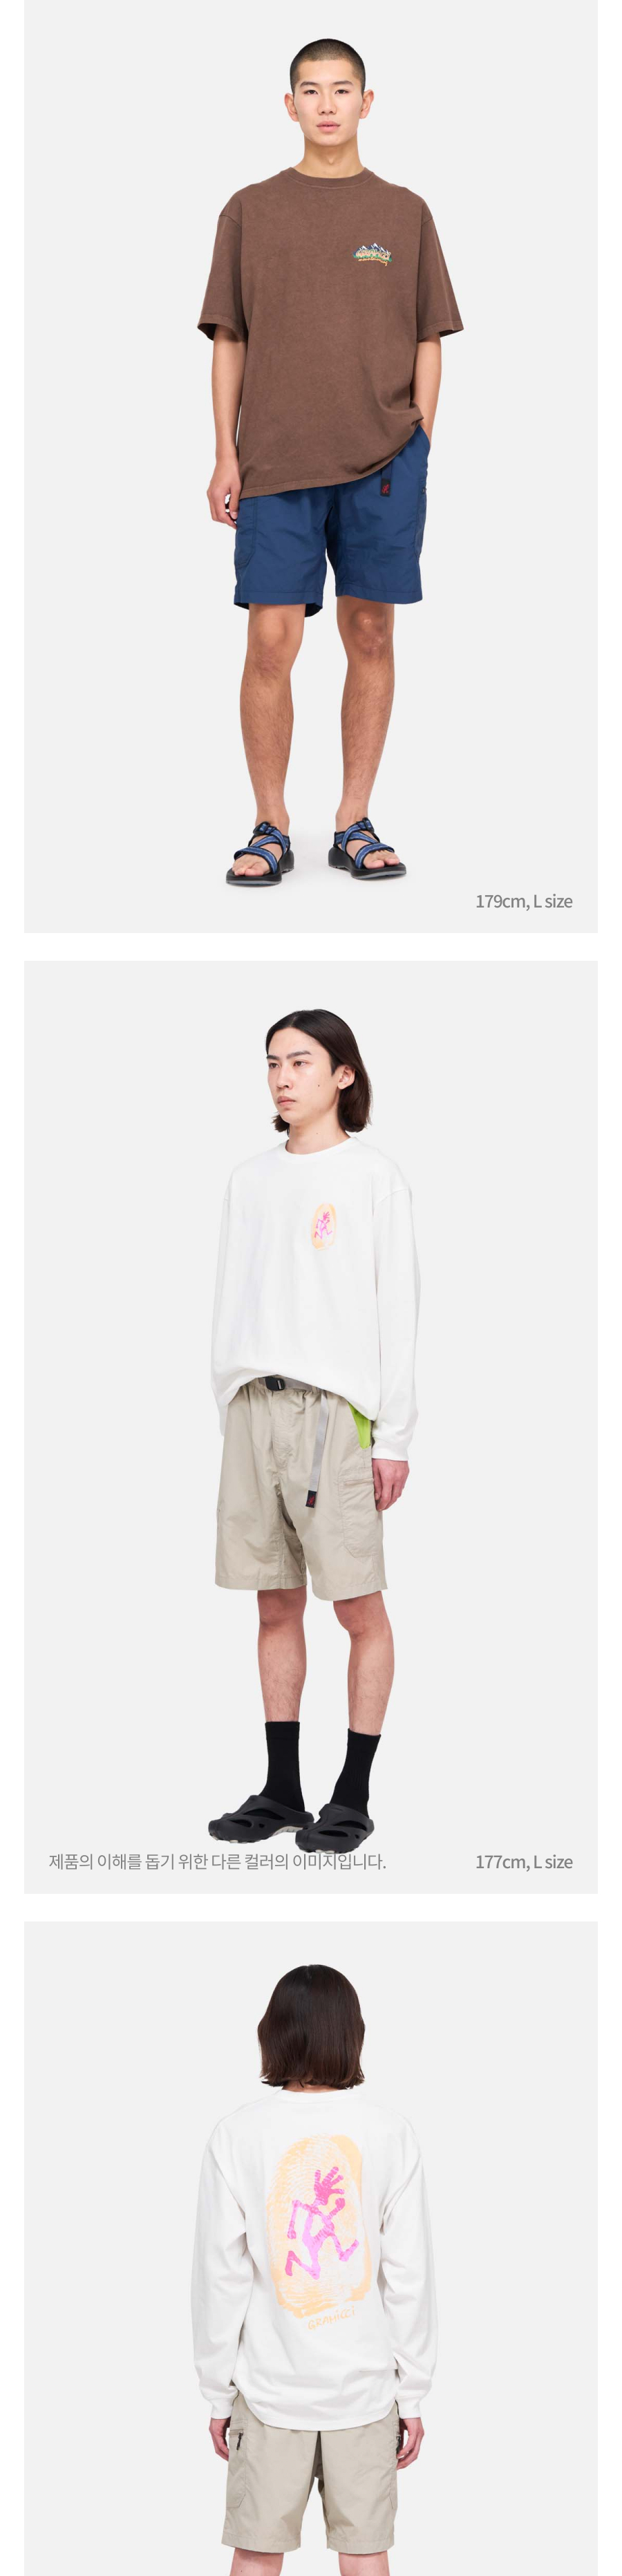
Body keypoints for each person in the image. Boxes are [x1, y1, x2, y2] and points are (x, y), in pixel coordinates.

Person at [200, 37, 462, 885]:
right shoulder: (249, 210)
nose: (326, 104)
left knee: (372, 633)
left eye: (341, 90)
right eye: (310, 91)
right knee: (269, 641)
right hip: (275, 459)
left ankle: (354, 820)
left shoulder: (404, 212)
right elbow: (230, 338)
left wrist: (421, 439)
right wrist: (225, 452)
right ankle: (269, 824)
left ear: (366, 102)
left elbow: (429, 335)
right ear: (290, 106)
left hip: (384, 458)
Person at [191, 1956, 437, 2576]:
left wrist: (216, 2390)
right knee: (366, 2566)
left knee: (255, 2565)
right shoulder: (390, 2132)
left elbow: (219, 2276)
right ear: (350, 2035)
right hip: (365, 2391)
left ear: (274, 2034)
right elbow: (409, 2274)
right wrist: (414, 2391)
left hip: (270, 2390)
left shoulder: (237, 2134)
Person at [209, 1004, 420, 1856]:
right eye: (272, 1063)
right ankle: (282, 1790)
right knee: (273, 1602)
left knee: (358, 1605)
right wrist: (228, 1398)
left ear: (343, 1074)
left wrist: (392, 1437)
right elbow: (233, 1292)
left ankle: (353, 1794)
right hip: (253, 1407)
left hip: (335, 1413)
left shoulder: (373, 1177)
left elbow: (397, 1308)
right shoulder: (249, 1180)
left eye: (300, 1061)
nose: (282, 1077)